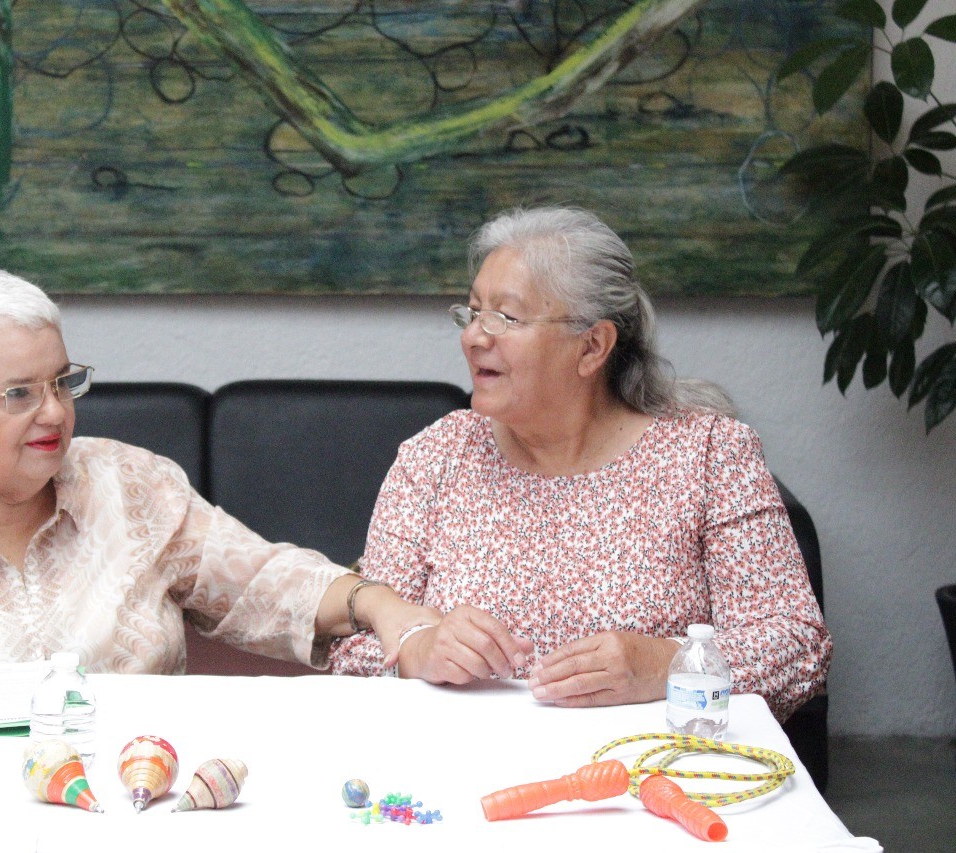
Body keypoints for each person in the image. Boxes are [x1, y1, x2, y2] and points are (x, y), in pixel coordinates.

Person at [0, 268, 436, 689]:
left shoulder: (132, 486)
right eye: (19, 393)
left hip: (138, 802)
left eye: (62, 382)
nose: (55, 413)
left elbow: (266, 581)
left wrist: (376, 603)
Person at [329, 206, 831, 722]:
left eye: (505, 318)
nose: (474, 336)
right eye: (473, 312)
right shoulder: (436, 457)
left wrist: (666, 663)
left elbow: (798, 647)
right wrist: (417, 650)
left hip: (646, 761)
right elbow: (350, 648)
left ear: (592, 346)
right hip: (465, 756)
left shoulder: (709, 455)